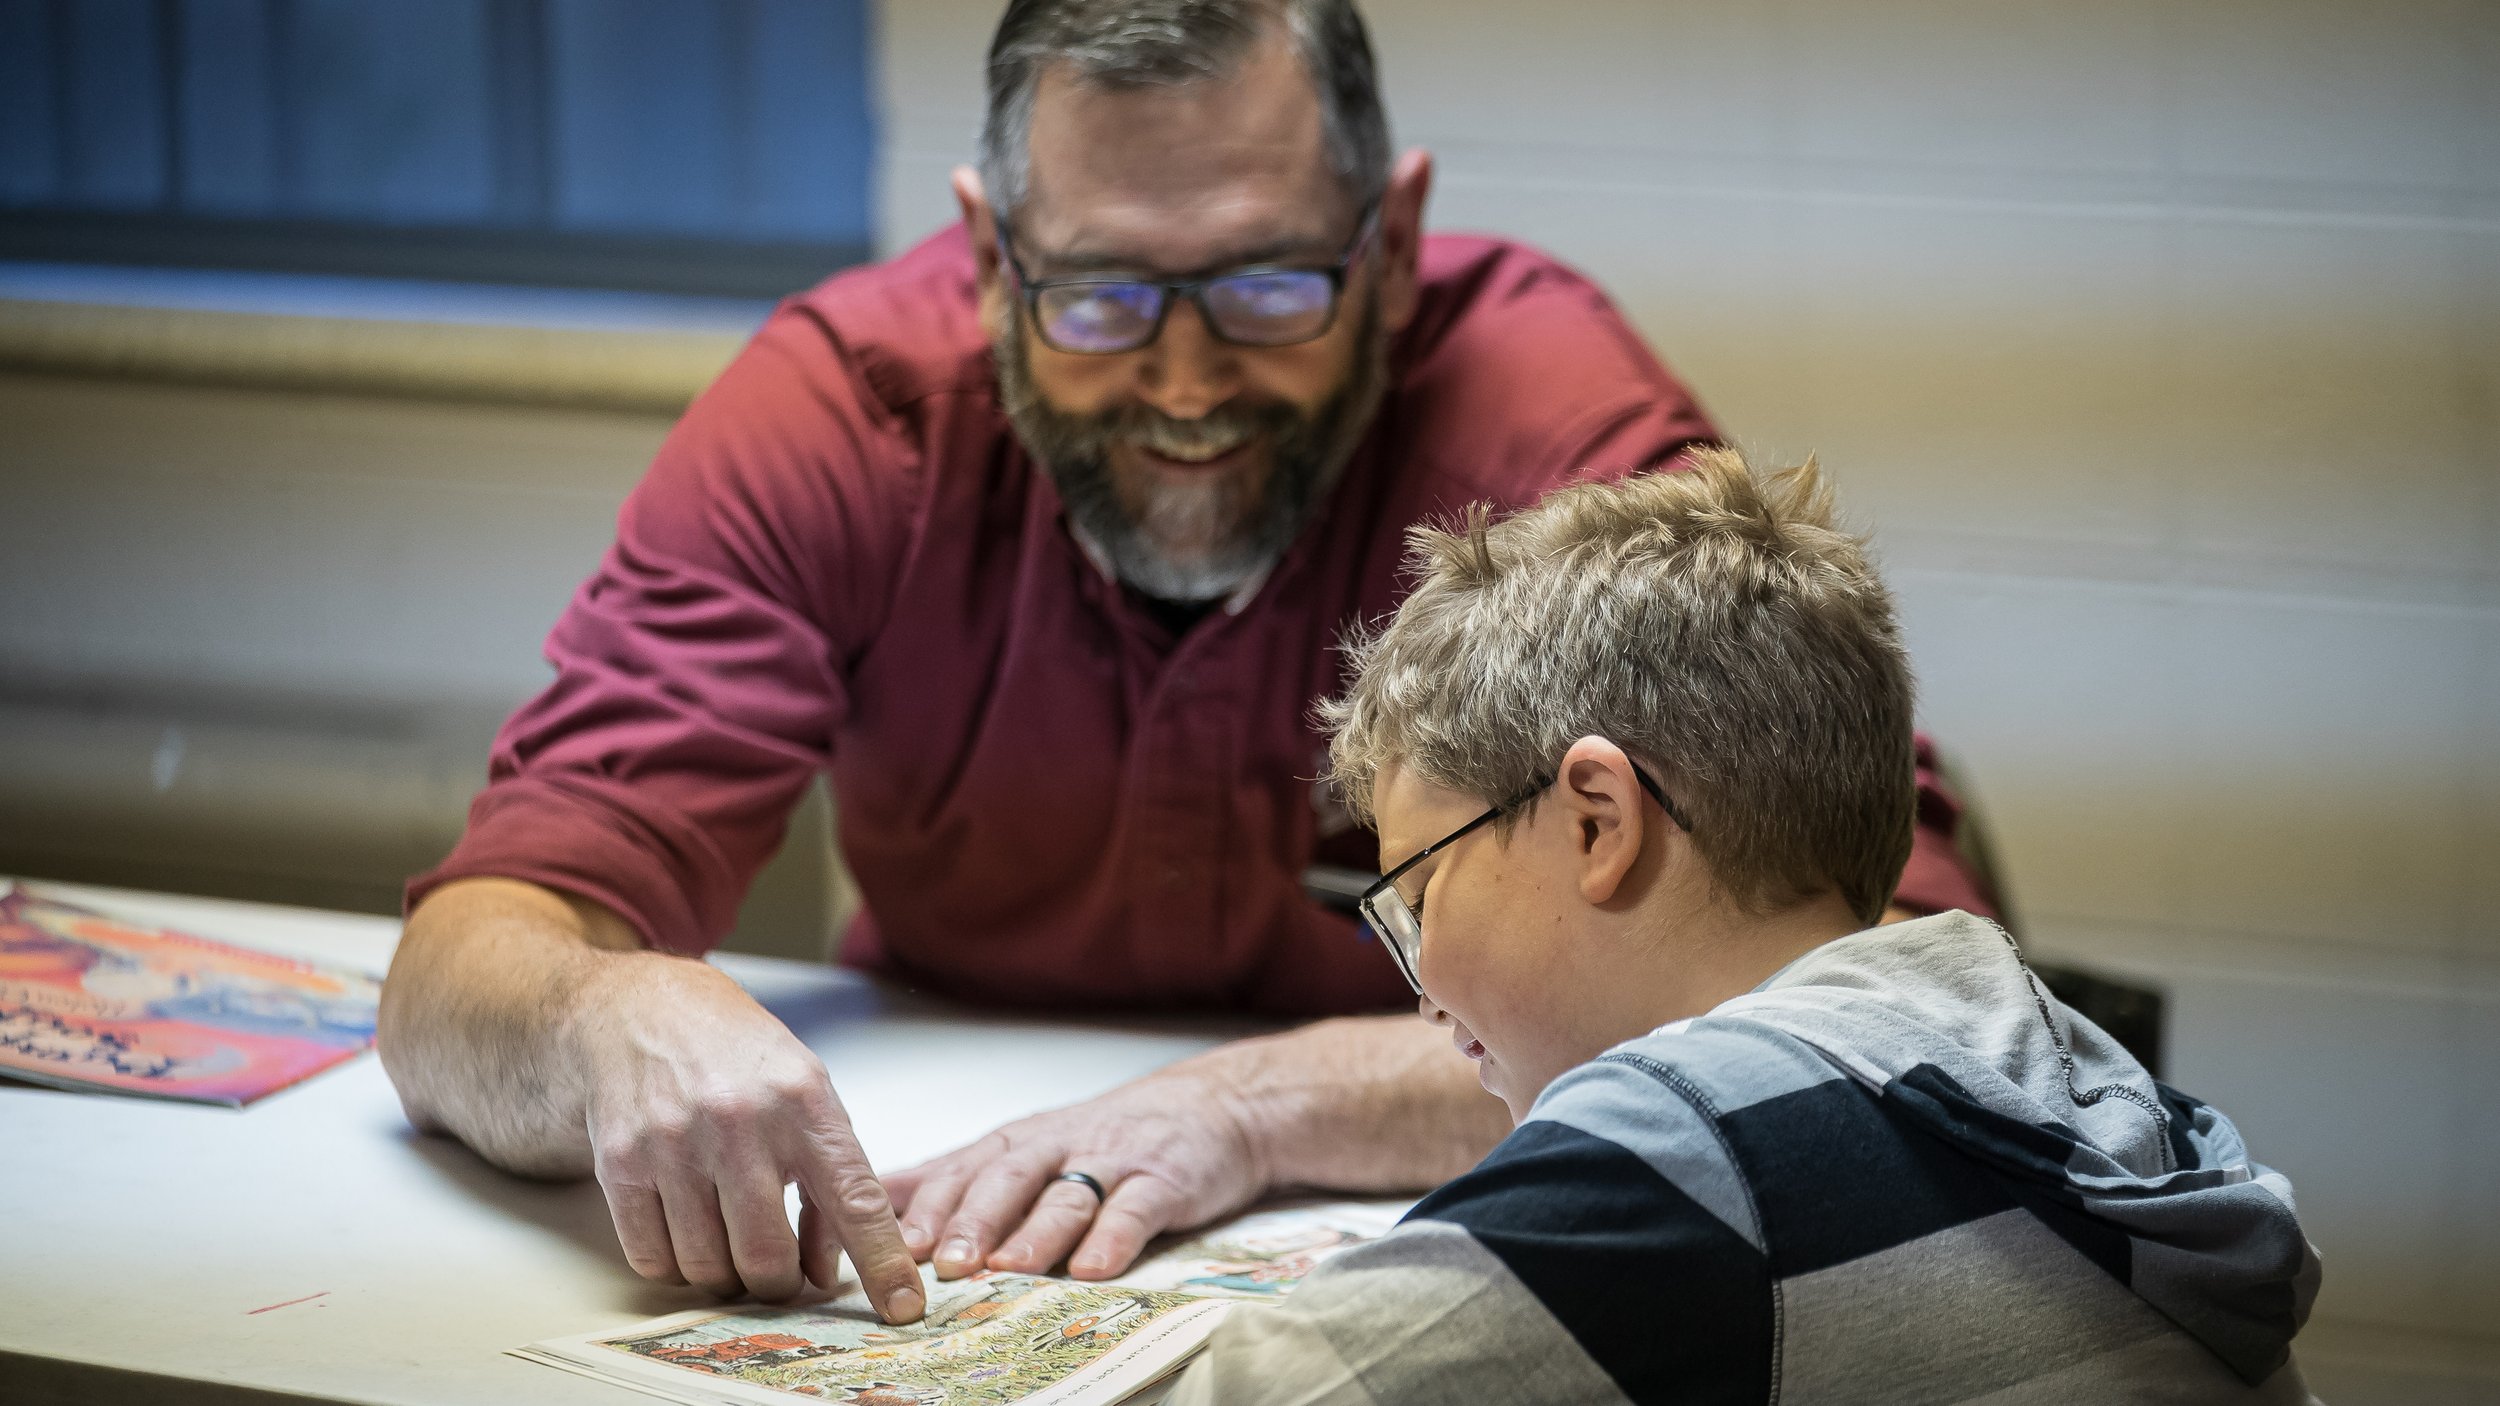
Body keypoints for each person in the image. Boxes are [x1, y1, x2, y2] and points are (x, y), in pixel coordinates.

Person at [374, 0, 1998, 1325]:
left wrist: (1253, 1108)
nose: (1186, 382)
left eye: (1268, 286)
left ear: (1394, 237)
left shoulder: (1550, 425)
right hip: (963, 1211)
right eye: (1096, 297)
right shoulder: (847, 414)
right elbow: (467, 960)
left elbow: (1876, 978)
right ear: (989, 252)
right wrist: (599, 1010)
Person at [1166, 450, 2321, 1404]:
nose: (1421, 990)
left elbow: (1277, 1384)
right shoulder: (2028, 1044)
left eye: (1417, 898)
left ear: (1596, 821)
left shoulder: (1699, 1135)